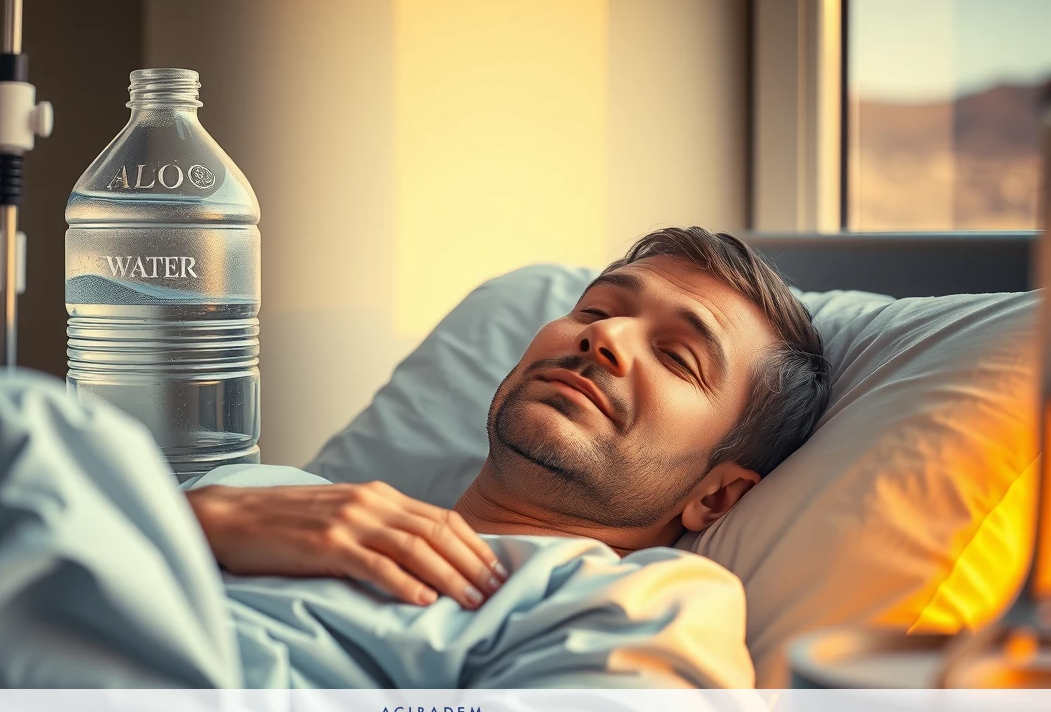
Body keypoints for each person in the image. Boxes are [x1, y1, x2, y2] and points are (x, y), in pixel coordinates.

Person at [185, 227, 831, 612]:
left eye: (677, 356)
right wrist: (195, 523)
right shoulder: (252, 495)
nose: (605, 336)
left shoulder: (631, 612)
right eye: (595, 311)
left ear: (715, 496)